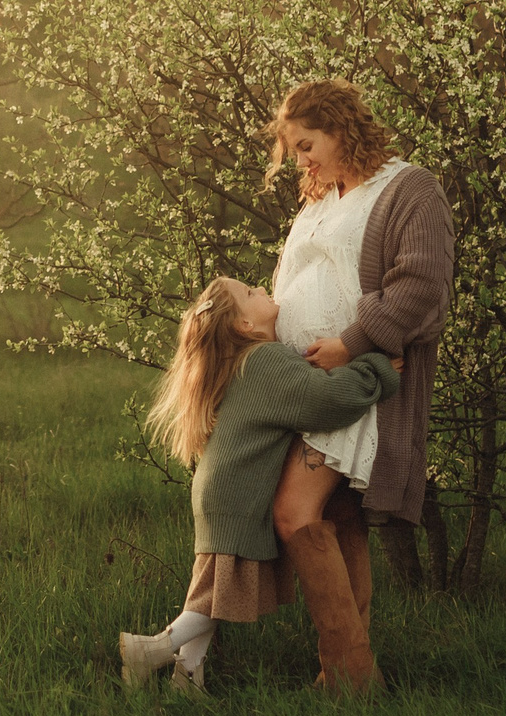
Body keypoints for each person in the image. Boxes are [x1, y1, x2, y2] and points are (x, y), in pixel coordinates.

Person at [262, 79, 455, 691]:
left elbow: (422, 286)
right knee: (338, 518)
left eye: (307, 143)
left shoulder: (408, 189)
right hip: (307, 389)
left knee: (294, 514)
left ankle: (349, 673)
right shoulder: (321, 199)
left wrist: (352, 343)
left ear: (342, 127)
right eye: (292, 150)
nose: (301, 159)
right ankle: (344, 674)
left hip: (358, 385)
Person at [118, 276, 401, 693]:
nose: (261, 290)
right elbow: (325, 401)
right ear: (244, 327)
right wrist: (375, 368)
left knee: (213, 590)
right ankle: (152, 649)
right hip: (238, 496)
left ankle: (187, 679)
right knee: (218, 600)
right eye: (250, 294)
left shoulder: (248, 364)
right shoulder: (265, 361)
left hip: (221, 493)